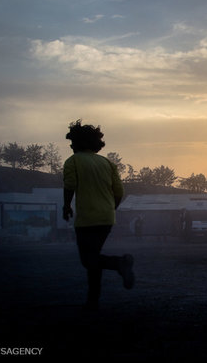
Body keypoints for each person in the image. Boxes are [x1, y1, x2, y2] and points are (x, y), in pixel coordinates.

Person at [62, 119, 134, 311]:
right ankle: (93, 301)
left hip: (87, 219)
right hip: (106, 218)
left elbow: (69, 185)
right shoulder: (107, 163)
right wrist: (111, 209)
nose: (71, 146)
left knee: (88, 260)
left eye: (72, 142)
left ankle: (120, 263)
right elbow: (119, 192)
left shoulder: (73, 161)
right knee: (93, 258)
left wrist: (66, 206)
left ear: (78, 143)